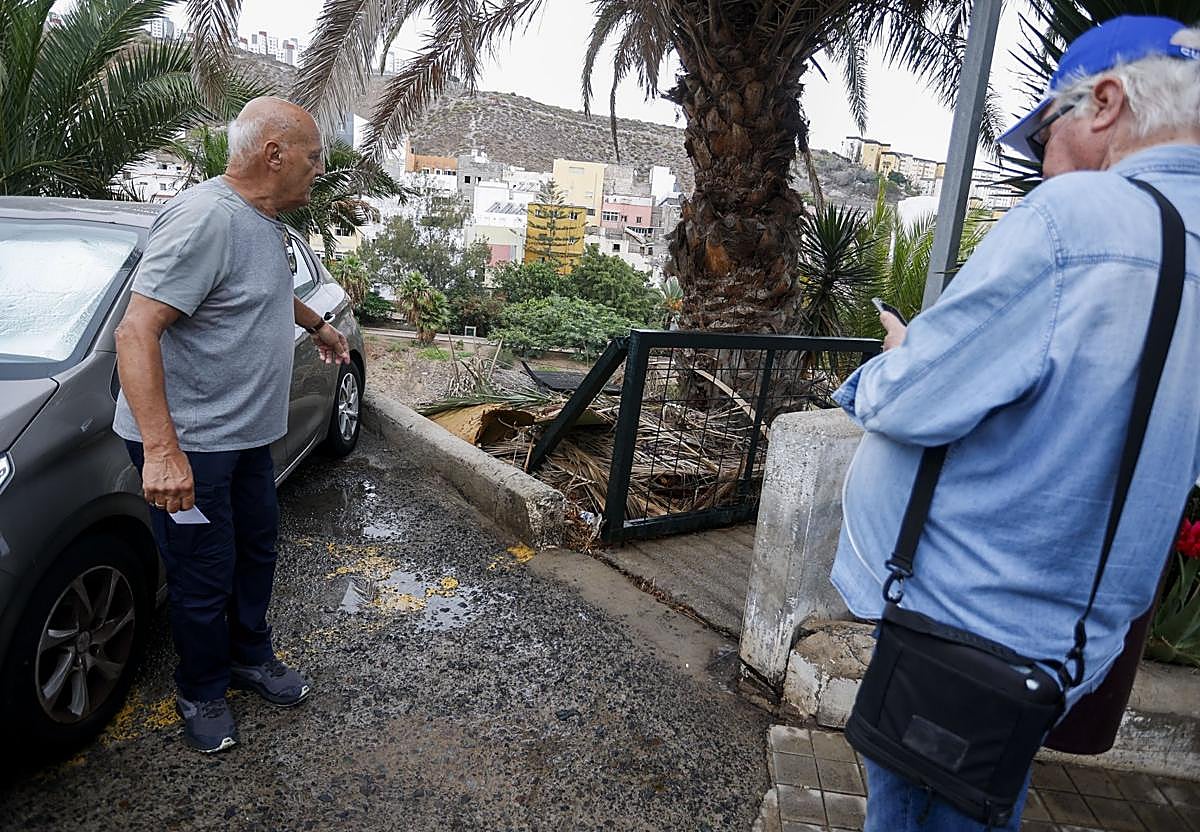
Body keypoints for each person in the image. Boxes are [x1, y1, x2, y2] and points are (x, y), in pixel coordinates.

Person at [830, 16, 1200, 831]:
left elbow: (912, 397)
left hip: (961, 633)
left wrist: (897, 355)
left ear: (1104, 101)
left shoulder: (1085, 219)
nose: (1038, 165)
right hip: (1059, 647)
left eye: (1042, 138)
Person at [114, 97, 351, 754]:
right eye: (312, 157)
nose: (318, 169)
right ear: (273, 154)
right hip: (193, 445)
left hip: (245, 437)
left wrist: (319, 325)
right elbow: (136, 331)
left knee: (255, 553)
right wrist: (163, 452)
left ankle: (249, 657)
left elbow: (261, 290)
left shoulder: (259, 220)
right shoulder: (205, 219)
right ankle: (202, 688)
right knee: (202, 573)